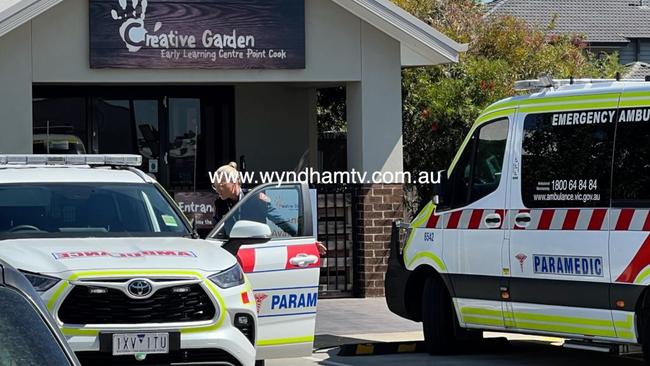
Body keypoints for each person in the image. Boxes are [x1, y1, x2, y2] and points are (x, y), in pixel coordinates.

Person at [212, 162, 326, 255]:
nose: (217, 189)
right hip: (229, 254)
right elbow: (215, 232)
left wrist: (309, 242)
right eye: (215, 186)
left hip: (254, 252)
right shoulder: (219, 204)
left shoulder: (256, 198)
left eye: (221, 185)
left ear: (234, 182)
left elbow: (281, 221)